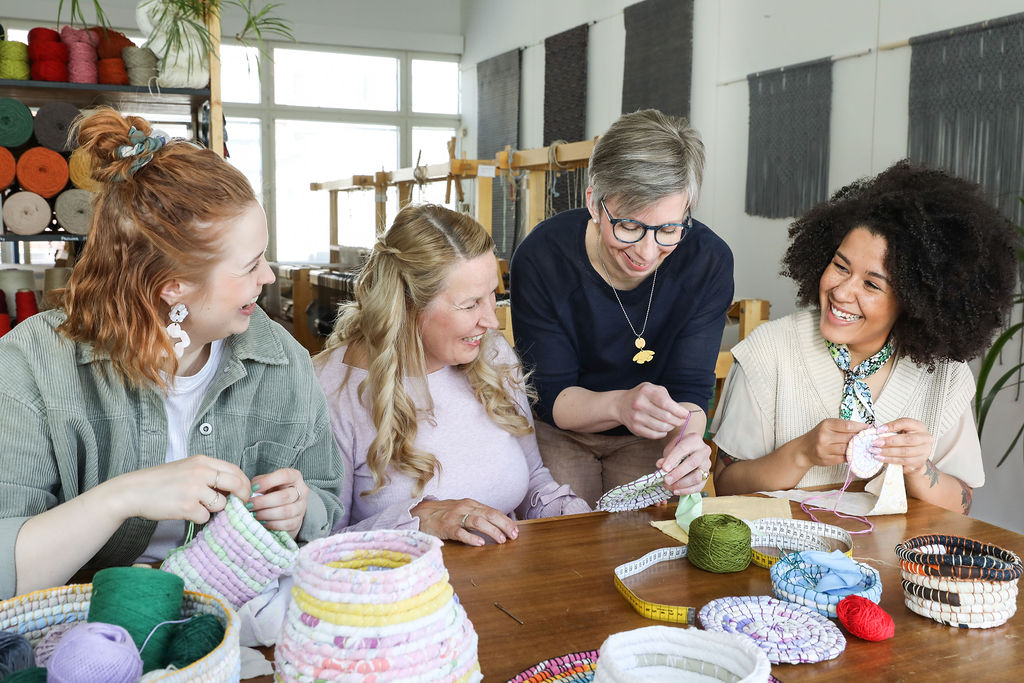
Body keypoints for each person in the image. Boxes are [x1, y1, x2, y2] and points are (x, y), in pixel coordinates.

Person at [0, 108, 345, 600]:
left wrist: (300, 509)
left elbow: (327, 501)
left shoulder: (280, 359)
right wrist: (124, 497)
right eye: (249, 266)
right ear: (171, 286)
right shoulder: (29, 367)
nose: (267, 278)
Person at [711, 161, 1018, 514]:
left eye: (872, 284)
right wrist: (803, 452)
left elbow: (961, 504)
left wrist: (920, 469)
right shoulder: (769, 352)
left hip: (894, 562)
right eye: (840, 266)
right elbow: (726, 487)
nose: (841, 292)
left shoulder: (944, 377)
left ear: (916, 301)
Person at [315, 204, 589, 547]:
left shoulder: (492, 354)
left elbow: (534, 480)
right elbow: (317, 547)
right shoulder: (330, 392)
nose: (491, 321)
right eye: (471, 304)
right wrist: (418, 521)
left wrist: (577, 514)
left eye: (494, 295)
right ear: (407, 303)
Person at [509, 109, 734, 506]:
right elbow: (552, 395)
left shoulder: (706, 261)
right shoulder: (543, 258)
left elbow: (689, 389)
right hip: (562, 428)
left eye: (668, 230)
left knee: (643, 542)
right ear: (595, 203)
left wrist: (688, 443)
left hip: (651, 432)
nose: (647, 252)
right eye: (629, 227)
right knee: (567, 538)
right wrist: (619, 403)